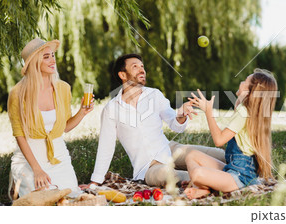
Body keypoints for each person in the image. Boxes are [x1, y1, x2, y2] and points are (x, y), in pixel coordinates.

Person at [88, 53, 225, 187]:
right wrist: (95, 181)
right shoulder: (111, 109)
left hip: (170, 149)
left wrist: (181, 115)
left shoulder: (154, 94)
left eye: (142, 66)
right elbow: (106, 146)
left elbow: (176, 125)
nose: (142, 69)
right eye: (135, 66)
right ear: (122, 75)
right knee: (185, 176)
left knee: (220, 155)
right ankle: (228, 180)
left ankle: (240, 172)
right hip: (148, 167)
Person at [8, 38, 94, 198]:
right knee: (43, 202)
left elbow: (64, 128)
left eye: (53, 55)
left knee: (71, 198)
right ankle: (18, 184)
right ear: (34, 62)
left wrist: (82, 112)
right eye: (46, 57)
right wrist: (37, 169)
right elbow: (19, 135)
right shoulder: (18, 93)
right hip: (29, 161)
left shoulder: (63, 88)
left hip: (58, 156)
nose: (52, 60)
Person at [184, 68, 278, 199]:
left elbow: (219, 140)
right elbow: (239, 105)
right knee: (192, 155)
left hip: (239, 178)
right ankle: (206, 188)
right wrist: (240, 98)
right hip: (234, 170)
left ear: (250, 91)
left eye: (245, 81)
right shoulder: (249, 112)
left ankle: (206, 187)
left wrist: (208, 111)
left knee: (197, 174)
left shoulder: (244, 112)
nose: (241, 82)